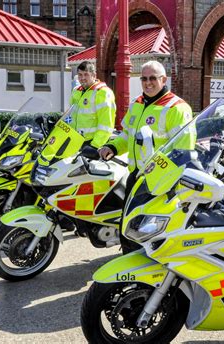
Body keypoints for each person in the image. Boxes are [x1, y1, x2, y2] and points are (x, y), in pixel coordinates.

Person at [98, 60, 193, 251]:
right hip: (136, 177)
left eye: (153, 78)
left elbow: (183, 151)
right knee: (128, 225)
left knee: (147, 231)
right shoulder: (137, 104)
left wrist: (169, 182)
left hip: (159, 182)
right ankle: (128, 263)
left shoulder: (177, 108)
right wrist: (112, 147)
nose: (148, 82)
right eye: (144, 78)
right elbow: (126, 135)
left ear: (164, 79)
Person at [69, 61, 116, 148]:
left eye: (86, 74)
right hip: (74, 141)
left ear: (94, 75)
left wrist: (95, 146)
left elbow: (106, 125)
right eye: (80, 75)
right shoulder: (76, 91)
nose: (82, 78)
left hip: (91, 143)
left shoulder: (102, 92)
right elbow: (71, 115)